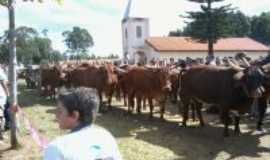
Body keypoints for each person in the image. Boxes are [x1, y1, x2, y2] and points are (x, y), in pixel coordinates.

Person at [43, 87, 122, 160]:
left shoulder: (57, 148)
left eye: (60, 111)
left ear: (75, 115)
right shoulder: (106, 137)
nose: (56, 115)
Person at [0, 64, 9, 140]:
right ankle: (1, 136)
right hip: (0, 97)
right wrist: (8, 93)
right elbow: (3, 83)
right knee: (1, 117)